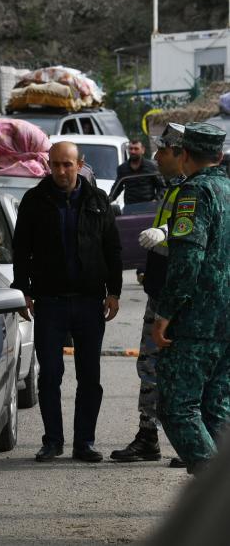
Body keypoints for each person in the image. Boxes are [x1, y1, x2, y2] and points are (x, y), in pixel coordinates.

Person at [12, 141, 122, 463]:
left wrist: (113, 292)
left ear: (80, 164)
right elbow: (21, 250)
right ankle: (53, 441)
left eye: (67, 164)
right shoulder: (35, 200)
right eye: (56, 164)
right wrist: (24, 290)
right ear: (48, 164)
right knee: (49, 376)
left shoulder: (97, 200)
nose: (61, 171)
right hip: (51, 302)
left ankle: (84, 443)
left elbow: (112, 250)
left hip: (90, 303)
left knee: (90, 377)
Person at [151, 122, 230, 475]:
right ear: (219, 154)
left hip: (198, 321)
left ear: (184, 154)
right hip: (225, 321)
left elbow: (188, 260)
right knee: (216, 407)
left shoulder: (195, 193)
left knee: (178, 407)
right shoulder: (228, 188)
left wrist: (165, 313)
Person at [111, 123, 187, 466]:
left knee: (172, 368)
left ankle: (187, 442)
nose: (156, 156)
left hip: (178, 298)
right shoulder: (172, 187)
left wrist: (165, 233)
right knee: (151, 366)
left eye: (162, 150)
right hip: (162, 292)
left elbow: (192, 229)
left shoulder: (193, 190)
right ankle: (150, 436)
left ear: (179, 153)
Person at [116, 139, 164, 205]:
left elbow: (162, 187)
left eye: (136, 149)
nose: (133, 151)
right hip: (129, 209)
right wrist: (107, 200)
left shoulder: (151, 167)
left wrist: (156, 200)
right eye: (131, 148)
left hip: (148, 209)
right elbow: (117, 188)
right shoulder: (122, 168)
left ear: (143, 150)